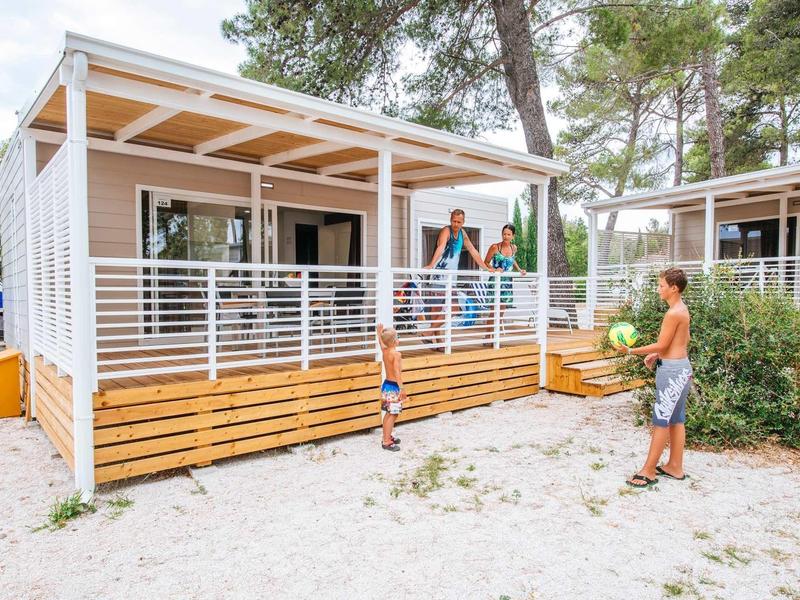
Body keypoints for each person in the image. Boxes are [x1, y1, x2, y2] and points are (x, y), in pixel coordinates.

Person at [615, 267, 692, 488]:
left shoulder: (673, 313)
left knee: (661, 420)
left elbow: (662, 344)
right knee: (676, 419)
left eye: (661, 286)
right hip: (681, 368)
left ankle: (648, 471)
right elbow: (683, 340)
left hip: (672, 372)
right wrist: (659, 354)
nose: (658, 289)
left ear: (673, 288)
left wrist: (630, 351)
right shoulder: (682, 309)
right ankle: (674, 466)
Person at [421, 209, 494, 347]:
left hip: (451, 278)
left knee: (455, 308)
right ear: (450, 220)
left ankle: (428, 332)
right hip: (439, 275)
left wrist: (485, 267)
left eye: (459, 222)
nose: (456, 224)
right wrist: (431, 264)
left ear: (463, 222)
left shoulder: (462, 234)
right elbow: (441, 247)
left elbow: (473, 250)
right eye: (454, 221)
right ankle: (438, 342)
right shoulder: (446, 231)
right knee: (437, 309)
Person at [483, 224, 526, 344]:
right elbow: (486, 262)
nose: (506, 236)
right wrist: (495, 269)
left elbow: (512, 260)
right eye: (504, 234)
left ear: (513, 236)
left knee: (501, 311)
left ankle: (495, 337)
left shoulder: (514, 248)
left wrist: (519, 269)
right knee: (494, 311)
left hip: (507, 283)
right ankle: (487, 337)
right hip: (496, 282)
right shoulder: (495, 247)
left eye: (508, 234)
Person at [376, 323, 406, 451]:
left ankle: (386, 436)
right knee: (393, 414)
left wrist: (379, 333)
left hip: (386, 385)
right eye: (397, 337)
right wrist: (402, 389)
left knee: (389, 413)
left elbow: (381, 344)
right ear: (394, 341)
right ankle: (386, 441)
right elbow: (397, 372)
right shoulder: (396, 354)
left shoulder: (385, 351)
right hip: (394, 387)